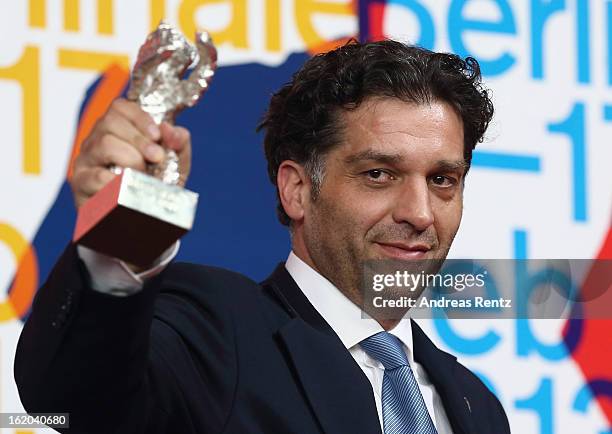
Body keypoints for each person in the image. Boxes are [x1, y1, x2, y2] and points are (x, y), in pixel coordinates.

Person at [15, 39, 510, 434]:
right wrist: (124, 234)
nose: (420, 213)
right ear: (296, 189)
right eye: (379, 174)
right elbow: (75, 399)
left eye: (442, 180)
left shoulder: (475, 405)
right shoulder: (216, 332)